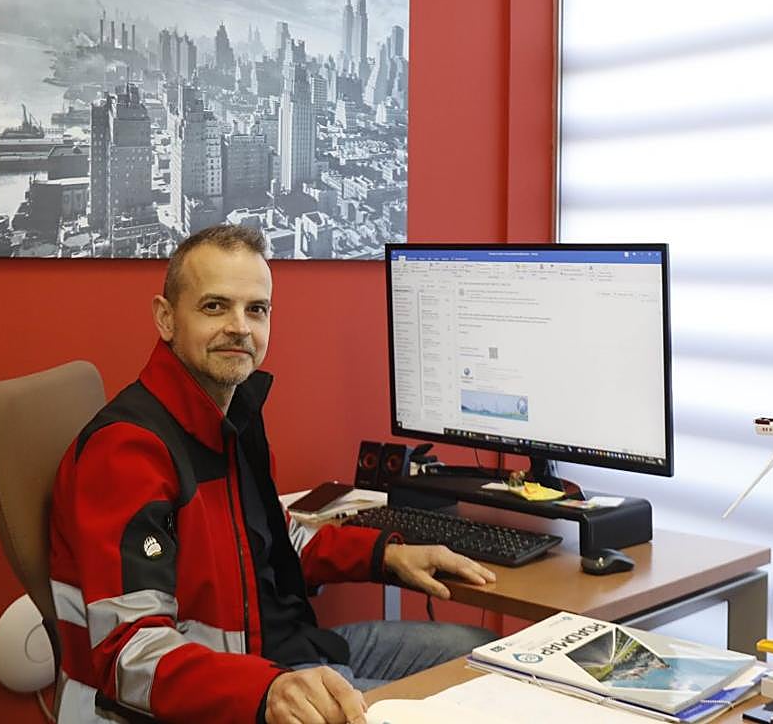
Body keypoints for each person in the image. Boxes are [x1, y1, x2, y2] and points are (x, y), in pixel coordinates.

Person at [49, 225, 496, 724]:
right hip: (227, 695)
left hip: (283, 657)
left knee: (488, 658)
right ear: (166, 318)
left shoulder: (231, 417)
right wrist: (268, 692)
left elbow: (273, 540)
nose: (239, 327)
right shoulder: (128, 452)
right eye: (215, 307)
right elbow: (129, 656)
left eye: (256, 309)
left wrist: (385, 555)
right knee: (466, 708)